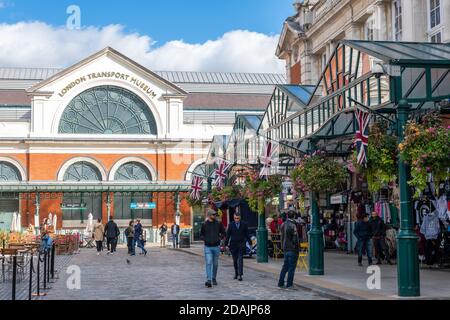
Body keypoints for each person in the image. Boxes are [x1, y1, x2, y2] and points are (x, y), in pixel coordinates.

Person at [200, 209, 226, 288]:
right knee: (208, 262)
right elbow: (201, 235)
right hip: (207, 247)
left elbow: (223, 233)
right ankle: (209, 280)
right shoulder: (204, 224)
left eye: (215, 214)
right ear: (209, 215)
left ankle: (214, 278)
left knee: (215, 264)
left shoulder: (218, 223)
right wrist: (205, 239)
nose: (214, 216)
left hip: (216, 247)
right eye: (213, 214)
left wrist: (219, 238)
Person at [225, 213, 251, 281]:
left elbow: (247, 234)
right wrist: (226, 244)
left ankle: (240, 274)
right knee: (235, 260)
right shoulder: (231, 225)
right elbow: (228, 235)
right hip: (233, 245)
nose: (236, 220)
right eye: (235, 218)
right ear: (234, 218)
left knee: (240, 259)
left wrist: (250, 243)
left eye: (238, 218)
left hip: (241, 244)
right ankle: (236, 273)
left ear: (240, 218)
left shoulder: (244, 224)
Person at [278, 210, 300, 290]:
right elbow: (295, 239)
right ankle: (289, 284)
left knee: (285, 267)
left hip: (285, 248)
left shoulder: (283, 224)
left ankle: (281, 283)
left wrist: (282, 246)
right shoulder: (293, 225)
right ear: (294, 216)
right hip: (292, 249)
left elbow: (282, 237)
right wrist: (297, 248)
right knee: (291, 268)